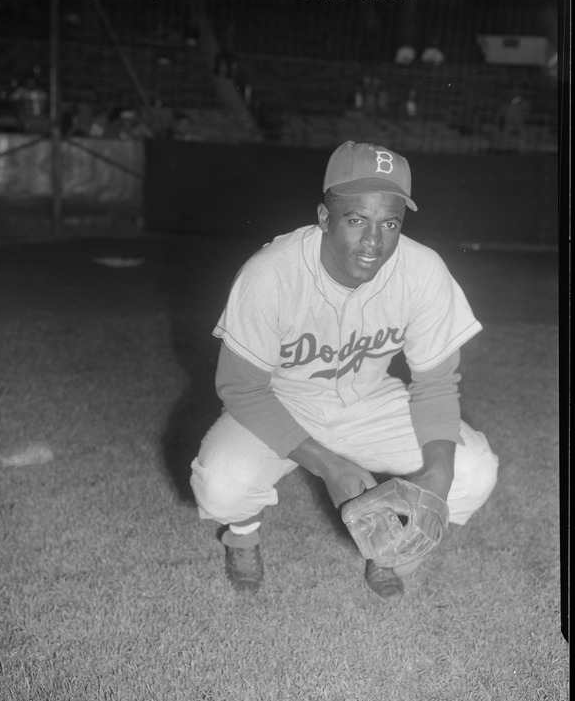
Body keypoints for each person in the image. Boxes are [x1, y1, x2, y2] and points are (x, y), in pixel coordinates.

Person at [190, 141, 499, 603]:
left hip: (370, 399)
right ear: (323, 217)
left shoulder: (422, 271)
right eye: (357, 219)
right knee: (220, 484)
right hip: (281, 401)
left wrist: (437, 475)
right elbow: (242, 388)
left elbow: (435, 384)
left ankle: (388, 546)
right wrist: (330, 466)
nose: (374, 241)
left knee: (473, 468)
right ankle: (244, 532)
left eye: (389, 222)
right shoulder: (270, 274)